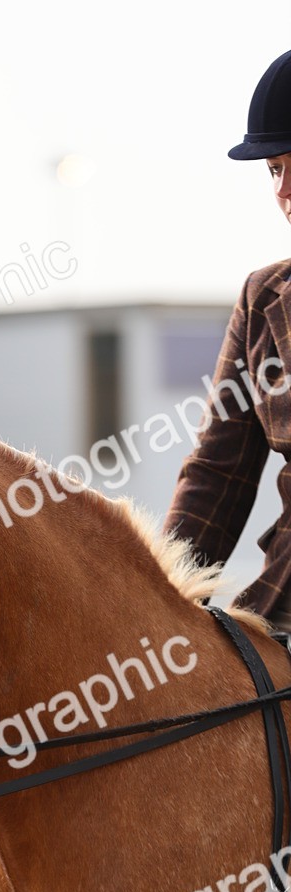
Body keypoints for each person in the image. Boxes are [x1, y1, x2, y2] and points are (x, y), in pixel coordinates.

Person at [163, 48, 291, 632]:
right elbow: (219, 474)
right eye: (273, 170)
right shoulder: (263, 300)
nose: (284, 191)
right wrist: (157, 606)